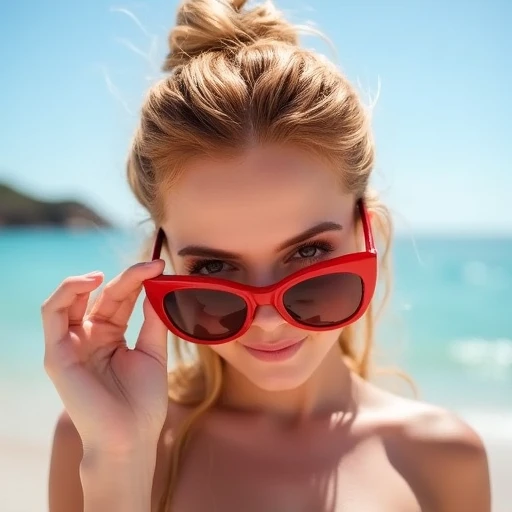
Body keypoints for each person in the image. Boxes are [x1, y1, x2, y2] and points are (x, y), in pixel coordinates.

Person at [42, 1, 491, 511]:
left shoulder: (443, 459)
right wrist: (121, 459)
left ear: (367, 230)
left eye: (308, 252)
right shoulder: (100, 437)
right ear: (159, 261)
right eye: (213, 267)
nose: (271, 319)